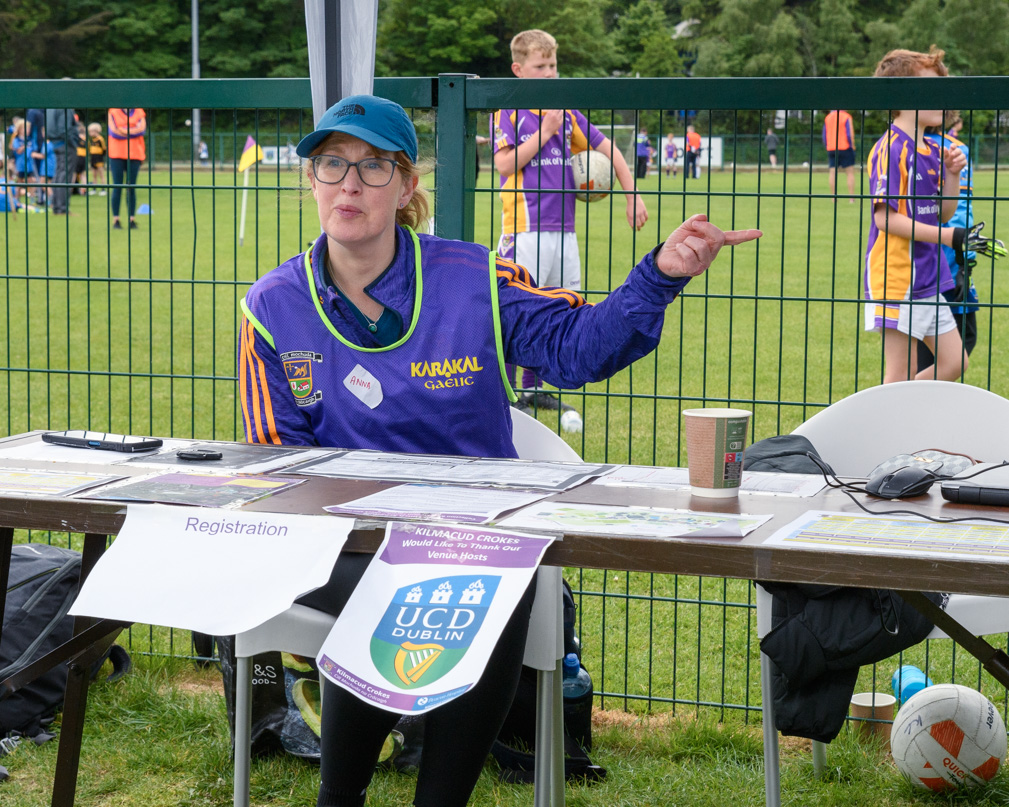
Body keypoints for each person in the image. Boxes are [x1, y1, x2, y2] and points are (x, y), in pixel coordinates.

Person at [238, 94, 760, 807]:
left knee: (484, 581)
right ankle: (341, 795)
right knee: (420, 586)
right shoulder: (270, 306)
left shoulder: (474, 277)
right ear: (311, 180)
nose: (349, 184)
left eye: (370, 167)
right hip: (337, 549)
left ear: (406, 185)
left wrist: (659, 274)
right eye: (331, 164)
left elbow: (576, 348)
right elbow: (277, 464)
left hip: (470, 544)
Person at [492, 28, 648, 414]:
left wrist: (632, 194)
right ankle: (508, 395)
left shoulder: (568, 115)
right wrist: (544, 134)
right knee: (513, 309)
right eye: (540, 65)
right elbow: (504, 164)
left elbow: (608, 150)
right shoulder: (508, 111)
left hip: (564, 229)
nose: (549, 73)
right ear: (518, 69)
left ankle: (533, 391)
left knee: (554, 309)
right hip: (523, 228)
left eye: (553, 65)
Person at [864, 47, 968, 384]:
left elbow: (943, 213)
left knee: (955, 362)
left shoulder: (934, 149)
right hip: (896, 280)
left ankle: (905, 416)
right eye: (931, 90)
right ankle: (888, 430)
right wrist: (950, 238)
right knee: (899, 375)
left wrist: (952, 176)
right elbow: (885, 220)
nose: (942, 99)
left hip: (928, 277)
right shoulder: (891, 148)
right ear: (901, 95)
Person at [917, 112, 979, 375]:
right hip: (949, 262)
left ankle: (910, 401)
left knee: (923, 350)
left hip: (918, 261)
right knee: (962, 339)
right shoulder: (956, 149)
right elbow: (962, 212)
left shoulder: (904, 146)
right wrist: (967, 250)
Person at [107, 107, 146, 229]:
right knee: (117, 186)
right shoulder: (113, 111)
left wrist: (122, 130)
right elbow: (113, 132)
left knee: (131, 187)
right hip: (116, 154)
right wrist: (133, 130)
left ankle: (131, 219)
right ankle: (116, 219)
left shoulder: (139, 111)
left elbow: (142, 130)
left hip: (134, 154)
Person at [45, 105, 77, 215]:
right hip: (65, 145)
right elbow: (64, 129)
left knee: (58, 175)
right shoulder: (64, 107)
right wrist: (74, 142)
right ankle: (62, 208)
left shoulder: (50, 108)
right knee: (64, 176)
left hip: (55, 144)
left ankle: (57, 206)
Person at [823, 109, 855, 202]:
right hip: (845, 147)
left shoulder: (828, 117)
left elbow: (824, 135)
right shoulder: (846, 116)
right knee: (849, 172)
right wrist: (852, 145)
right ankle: (851, 198)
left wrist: (827, 146)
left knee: (832, 173)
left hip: (832, 147)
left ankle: (833, 197)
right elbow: (849, 134)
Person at [88, 122, 107, 195]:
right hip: (93, 158)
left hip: (99, 158)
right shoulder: (92, 140)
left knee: (101, 174)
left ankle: (103, 189)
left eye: (91, 131)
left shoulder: (100, 139)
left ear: (96, 131)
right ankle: (94, 189)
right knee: (94, 175)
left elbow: (104, 149)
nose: (90, 133)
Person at [73, 121, 87, 194]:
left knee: (73, 174)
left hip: (77, 156)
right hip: (84, 157)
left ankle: (70, 191)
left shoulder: (76, 137)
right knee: (83, 175)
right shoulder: (85, 138)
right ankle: (84, 191)